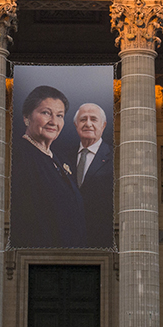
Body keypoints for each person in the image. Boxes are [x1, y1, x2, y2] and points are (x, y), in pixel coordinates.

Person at [10, 85, 89, 247]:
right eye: (46, 113)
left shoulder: (59, 160)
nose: (53, 121)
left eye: (59, 115)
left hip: (72, 254)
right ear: (26, 117)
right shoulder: (18, 154)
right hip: (39, 255)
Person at [68, 101, 113, 243]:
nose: (88, 124)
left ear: (103, 125)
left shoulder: (115, 156)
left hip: (102, 234)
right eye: (83, 119)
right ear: (76, 125)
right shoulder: (63, 155)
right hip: (65, 234)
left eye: (93, 119)